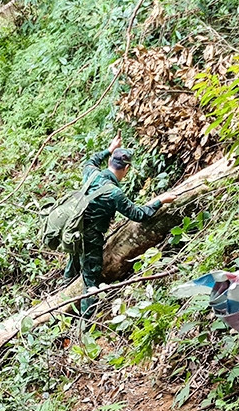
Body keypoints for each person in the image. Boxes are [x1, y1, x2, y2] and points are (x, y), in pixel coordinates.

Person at [67, 133, 178, 314]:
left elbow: (90, 161)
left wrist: (109, 149)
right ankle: (85, 323)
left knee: (73, 261)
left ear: (110, 161)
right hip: (90, 239)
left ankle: (64, 292)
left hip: (73, 229)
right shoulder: (114, 193)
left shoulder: (91, 173)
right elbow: (138, 214)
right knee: (90, 280)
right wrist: (160, 200)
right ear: (126, 169)